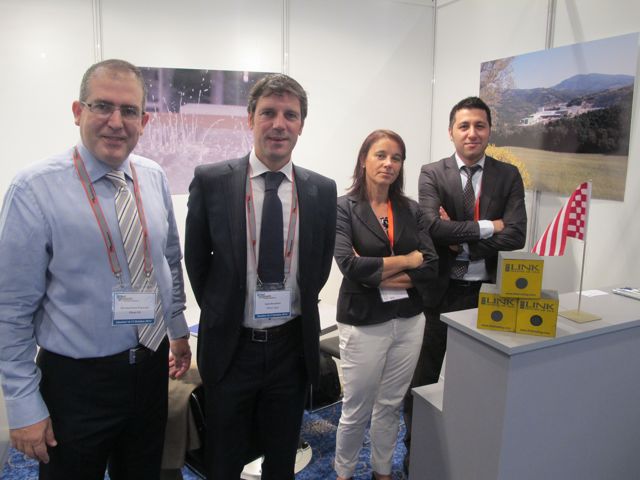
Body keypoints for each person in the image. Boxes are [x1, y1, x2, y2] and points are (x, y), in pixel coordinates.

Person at [0, 59, 192, 479]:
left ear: (144, 121)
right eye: (102, 106)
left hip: (150, 368)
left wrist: (177, 329)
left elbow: (168, 261)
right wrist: (22, 402)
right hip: (77, 382)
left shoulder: (153, 176)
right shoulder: (33, 189)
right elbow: (10, 310)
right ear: (77, 111)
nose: (116, 122)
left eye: (129, 111)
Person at [184, 73, 337, 480]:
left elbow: (319, 266)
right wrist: (223, 308)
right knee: (223, 461)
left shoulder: (321, 190)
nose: (279, 124)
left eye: (290, 115)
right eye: (268, 112)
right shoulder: (212, 181)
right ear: (250, 118)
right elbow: (196, 260)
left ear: (301, 125)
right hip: (232, 348)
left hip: (291, 349)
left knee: (281, 460)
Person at [402, 96, 527, 471]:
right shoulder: (432, 173)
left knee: (480, 379)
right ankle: (414, 447)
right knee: (425, 375)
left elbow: (517, 234)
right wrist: (490, 226)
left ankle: (471, 450)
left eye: (479, 125)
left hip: (487, 294)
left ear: (489, 130)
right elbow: (430, 227)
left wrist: (460, 240)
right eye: (464, 126)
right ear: (451, 132)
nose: (472, 133)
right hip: (440, 293)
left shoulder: (508, 175)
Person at [333, 129, 438, 480]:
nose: (388, 163)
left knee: (391, 403)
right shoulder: (343, 208)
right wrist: (408, 260)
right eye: (380, 155)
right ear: (364, 159)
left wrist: (377, 274)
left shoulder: (411, 209)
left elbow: (431, 266)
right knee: (356, 408)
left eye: (396, 158)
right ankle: (344, 472)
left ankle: (382, 471)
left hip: (409, 319)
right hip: (363, 322)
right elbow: (349, 265)